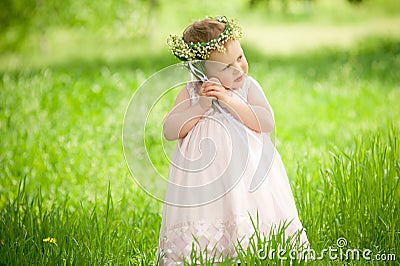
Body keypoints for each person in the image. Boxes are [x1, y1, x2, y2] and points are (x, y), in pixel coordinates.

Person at [157, 16, 309, 265]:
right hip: (203, 177)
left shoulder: (247, 87)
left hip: (246, 171)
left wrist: (230, 100)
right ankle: (205, 248)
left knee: (247, 205)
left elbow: (265, 122)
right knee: (207, 208)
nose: (238, 68)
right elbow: (170, 130)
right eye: (227, 67)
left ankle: (254, 243)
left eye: (240, 57)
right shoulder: (193, 91)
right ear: (201, 71)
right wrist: (201, 107)